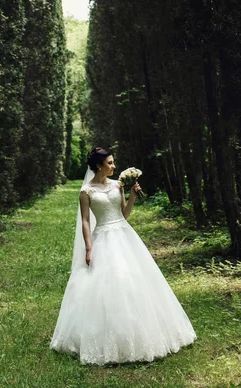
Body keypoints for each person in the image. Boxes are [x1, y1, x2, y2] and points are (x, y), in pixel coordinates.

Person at [50, 147, 196, 365]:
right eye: (110, 163)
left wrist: (133, 197)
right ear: (99, 165)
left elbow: (123, 215)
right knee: (108, 283)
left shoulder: (118, 185)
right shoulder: (86, 192)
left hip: (124, 237)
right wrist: (89, 248)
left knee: (134, 281)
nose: (114, 166)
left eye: (113, 162)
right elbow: (86, 222)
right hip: (103, 239)